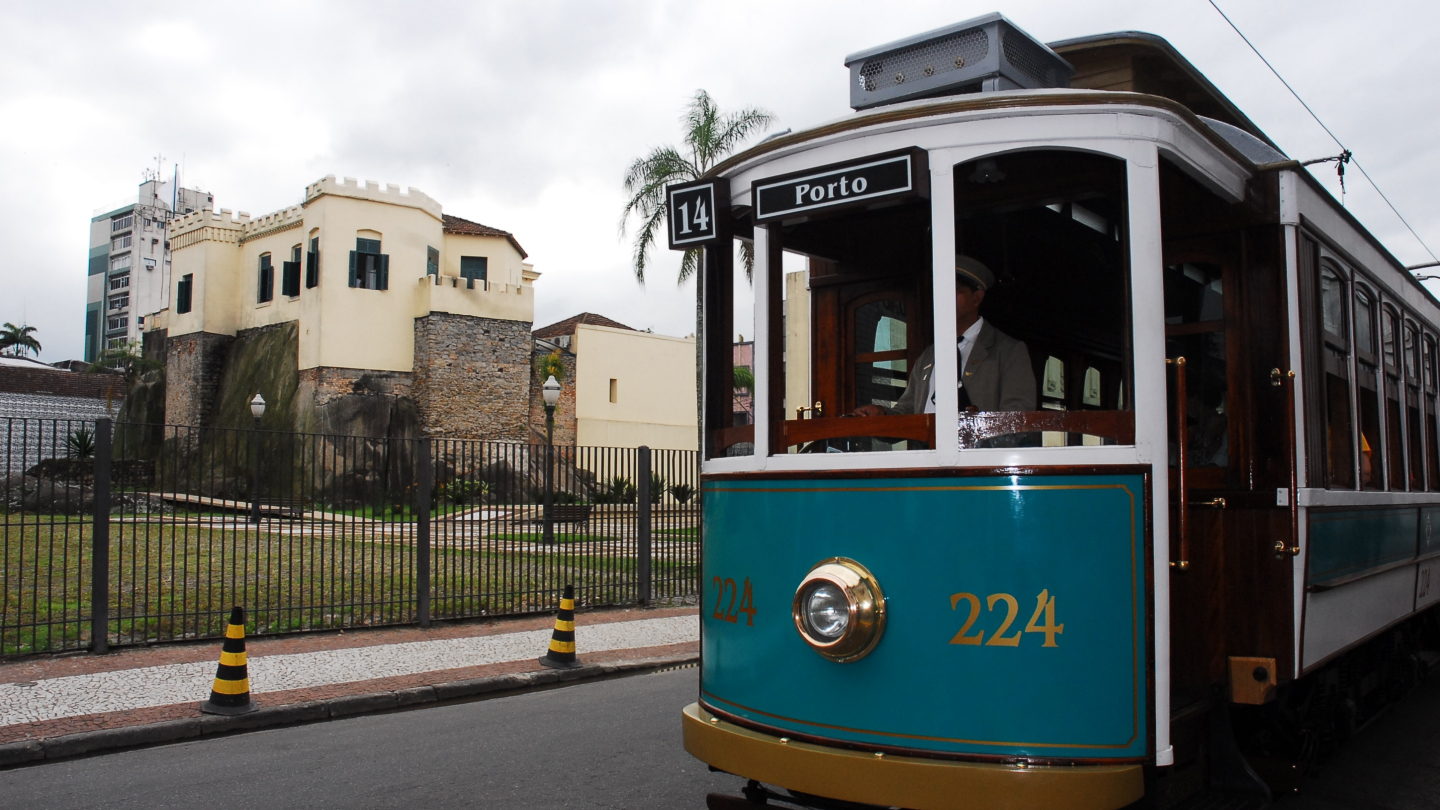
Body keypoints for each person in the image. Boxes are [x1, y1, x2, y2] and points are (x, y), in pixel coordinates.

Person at [855, 255, 1036, 417]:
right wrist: (883, 415)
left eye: (955, 290)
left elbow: (1017, 417)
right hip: (930, 452)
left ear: (977, 298)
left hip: (979, 454)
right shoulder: (929, 355)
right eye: (940, 291)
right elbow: (908, 409)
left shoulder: (1008, 351)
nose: (944, 298)